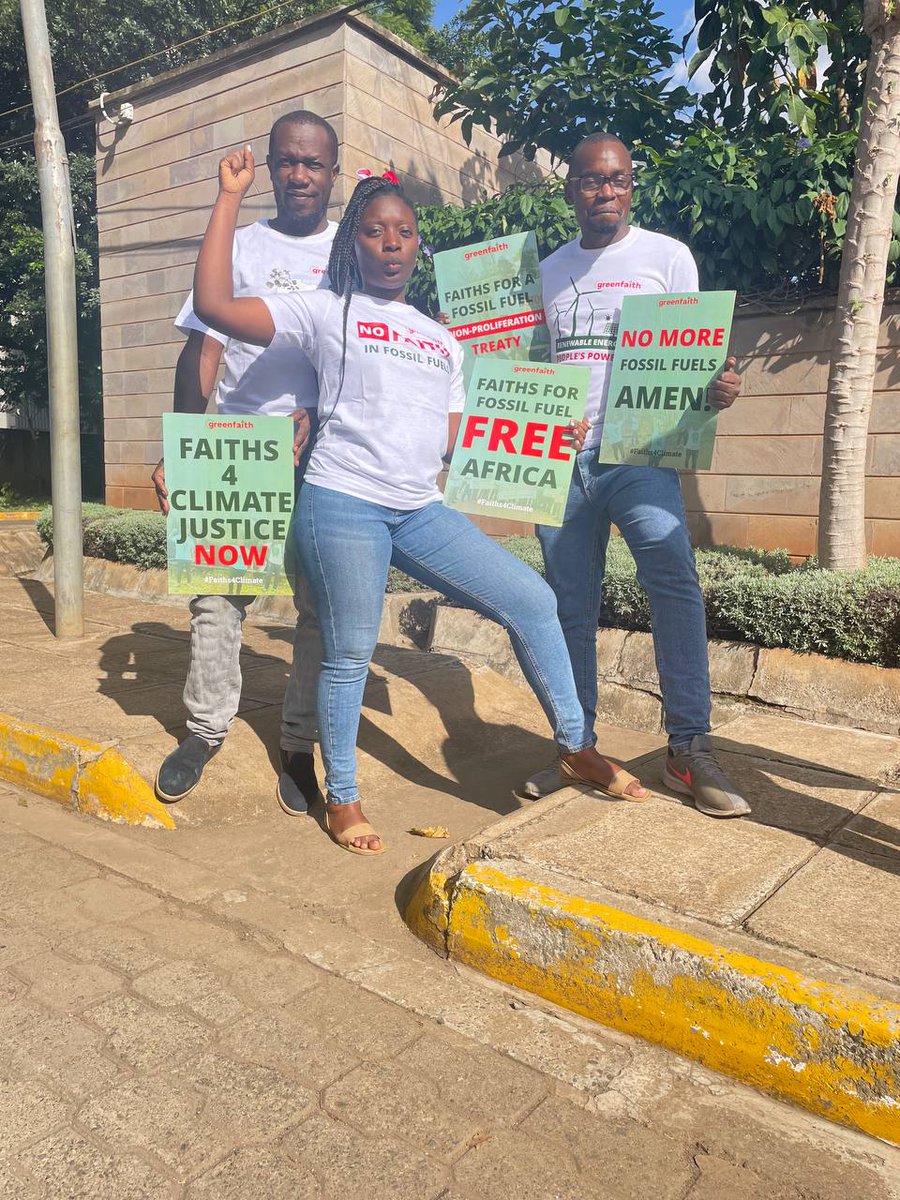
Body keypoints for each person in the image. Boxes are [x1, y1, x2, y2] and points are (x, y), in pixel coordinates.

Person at [192, 147, 652, 856]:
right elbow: (217, 307)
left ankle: (574, 745)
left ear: (418, 244)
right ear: (355, 242)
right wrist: (229, 197)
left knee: (530, 598)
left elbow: (454, 434)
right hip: (341, 503)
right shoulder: (324, 310)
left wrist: (544, 432)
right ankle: (341, 795)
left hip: (417, 509)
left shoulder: (440, 340)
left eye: (405, 231)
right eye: (376, 230)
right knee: (348, 652)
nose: (392, 242)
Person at [533, 131, 751, 819]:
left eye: (619, 179)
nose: (606, 191)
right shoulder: (543, 272)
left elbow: (693, 353)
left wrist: (714, 386)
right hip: (560, 461)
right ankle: (578, 748)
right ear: (570, 190)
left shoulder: (666, 257)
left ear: (633, 186)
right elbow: (527, 367)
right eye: (592, 181)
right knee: (569, 605)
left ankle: (689, 747)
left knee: (672, 576)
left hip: (639, 455)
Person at [151, 111, 338, 816]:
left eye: (313, 164)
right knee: (214, 601)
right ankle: (204, 730)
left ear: (332, 173)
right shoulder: (240, 244)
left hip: (320, 455)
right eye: (287, 161)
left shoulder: (350, 255)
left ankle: (296, 741)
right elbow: (202, 349)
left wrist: (315, 414)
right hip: (231, 448)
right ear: (268, 165)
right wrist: (179, 446)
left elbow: (361, 361)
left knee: (317, 604)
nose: (299, 175)